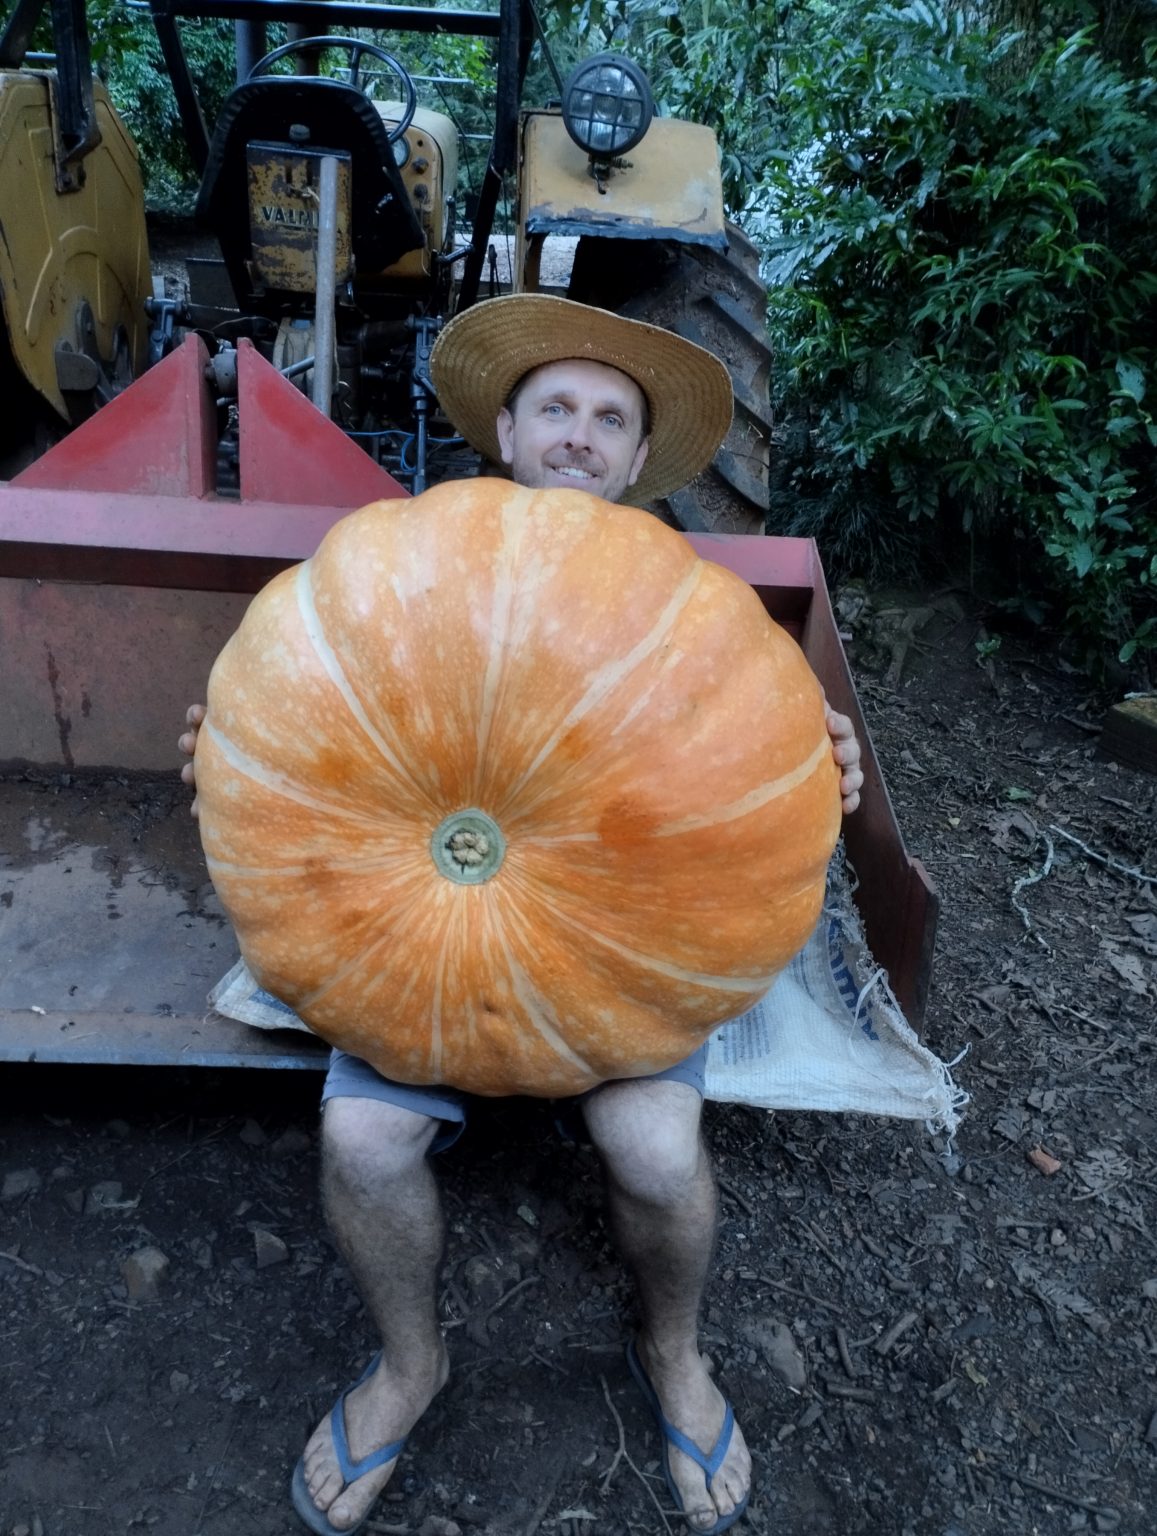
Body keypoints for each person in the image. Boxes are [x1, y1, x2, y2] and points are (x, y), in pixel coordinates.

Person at [179, 296, 864, 1536]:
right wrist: (232, 746)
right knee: (360, 1144)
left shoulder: (685, 617)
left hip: (634, 963)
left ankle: (673, 1352)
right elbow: (291, 720)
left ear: (635, 456)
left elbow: (761, 774)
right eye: (555, 406)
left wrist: (823, 778)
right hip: (400, 953)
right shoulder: (408, 573)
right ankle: (409, 1366)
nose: (578, 435)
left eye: (609, 418)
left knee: (656, 1155)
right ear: (504, 429)